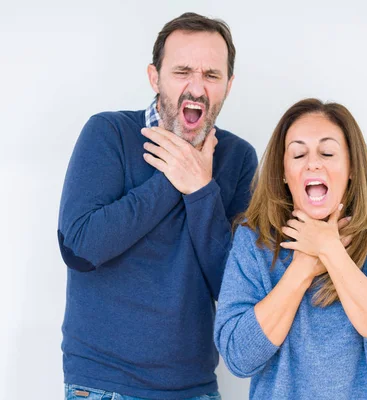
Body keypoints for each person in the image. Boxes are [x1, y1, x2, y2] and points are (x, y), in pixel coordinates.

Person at [57, 12, 257, 400]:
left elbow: (233, 286)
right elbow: (80, 248)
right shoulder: (109, 133)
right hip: (103, 386)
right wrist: (174, 177)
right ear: (155, 77)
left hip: (195, 388)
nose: (196, 88)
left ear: (228, 86)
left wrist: (201, 190)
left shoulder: (238, 158)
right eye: (182, 71)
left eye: (211, 76)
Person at [214, 98, 367, 399]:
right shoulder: (253, 237)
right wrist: (302, 267)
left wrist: (330, 248)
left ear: (351, 167)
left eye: (327, 152)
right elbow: (238, 357)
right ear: (284, 172)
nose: (313, 163)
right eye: (299, 154)